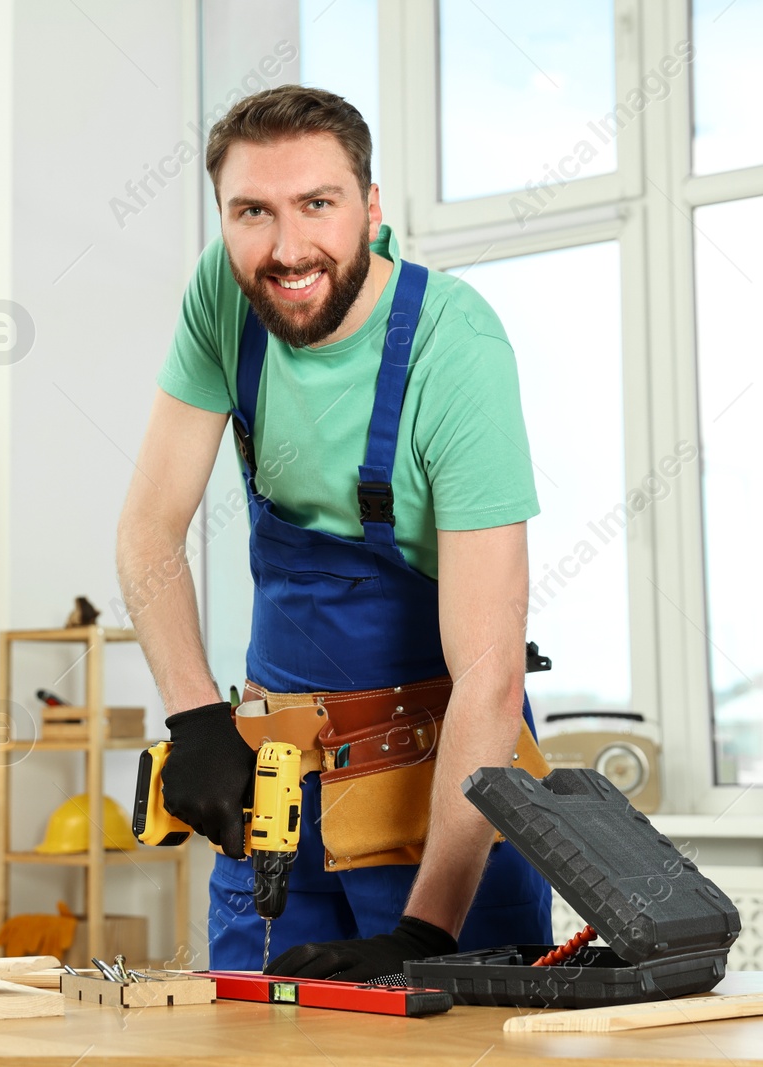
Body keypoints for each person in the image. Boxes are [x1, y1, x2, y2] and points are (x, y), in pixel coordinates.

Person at [115, 84, 551, 982]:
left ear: (371, 208)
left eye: (318, 203)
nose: (286, 248)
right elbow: (149, 529)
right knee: (242, 1035)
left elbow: (491, 671)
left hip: (440, 790)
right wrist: (197, 716)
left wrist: (424, 935)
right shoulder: (226, 296)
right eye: (252, 212)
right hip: (275, 781)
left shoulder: (455, 347)